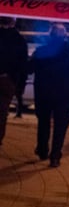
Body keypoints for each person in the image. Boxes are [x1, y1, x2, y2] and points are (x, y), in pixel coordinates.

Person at [28, 24, 69, 167]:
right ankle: (55, 155)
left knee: (43, 123)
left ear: (50, 36)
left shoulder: (41, 52)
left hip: (44, 93)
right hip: (65, 96)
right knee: (60, 126)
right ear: (65, 36)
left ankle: (42, 149)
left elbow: (29, 69)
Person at [0, 16, 28, 145]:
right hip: (8, 80)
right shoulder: (19, 40)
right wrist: (20, 84)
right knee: (2, 111)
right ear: (13, 22)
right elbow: (23, 65)